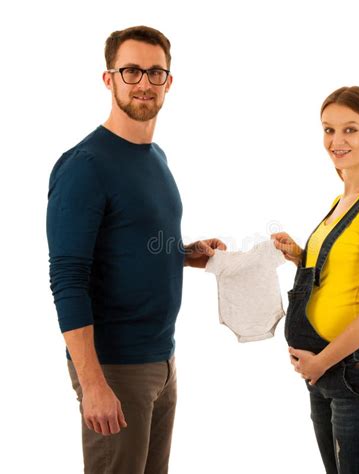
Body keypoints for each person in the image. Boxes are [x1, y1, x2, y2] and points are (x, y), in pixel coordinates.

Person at [46, 25, 225, 474]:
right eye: (131, 71)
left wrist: (186, 253)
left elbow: (127, 243)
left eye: (155, 72)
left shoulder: (156, 158)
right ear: (109, 79)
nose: (144, 82)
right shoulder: (85, 166)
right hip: (115, 369)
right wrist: (93, 383)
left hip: (161, 362)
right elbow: (68, 279)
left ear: (169, 81)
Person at [272, 86, 359, 474]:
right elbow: (343, 272)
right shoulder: (341, 200)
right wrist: (301, 255)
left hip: (357, 371)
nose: (336, 141)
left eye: (350, 129)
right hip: (326, 372)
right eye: (329, 130)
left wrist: (322, 362)